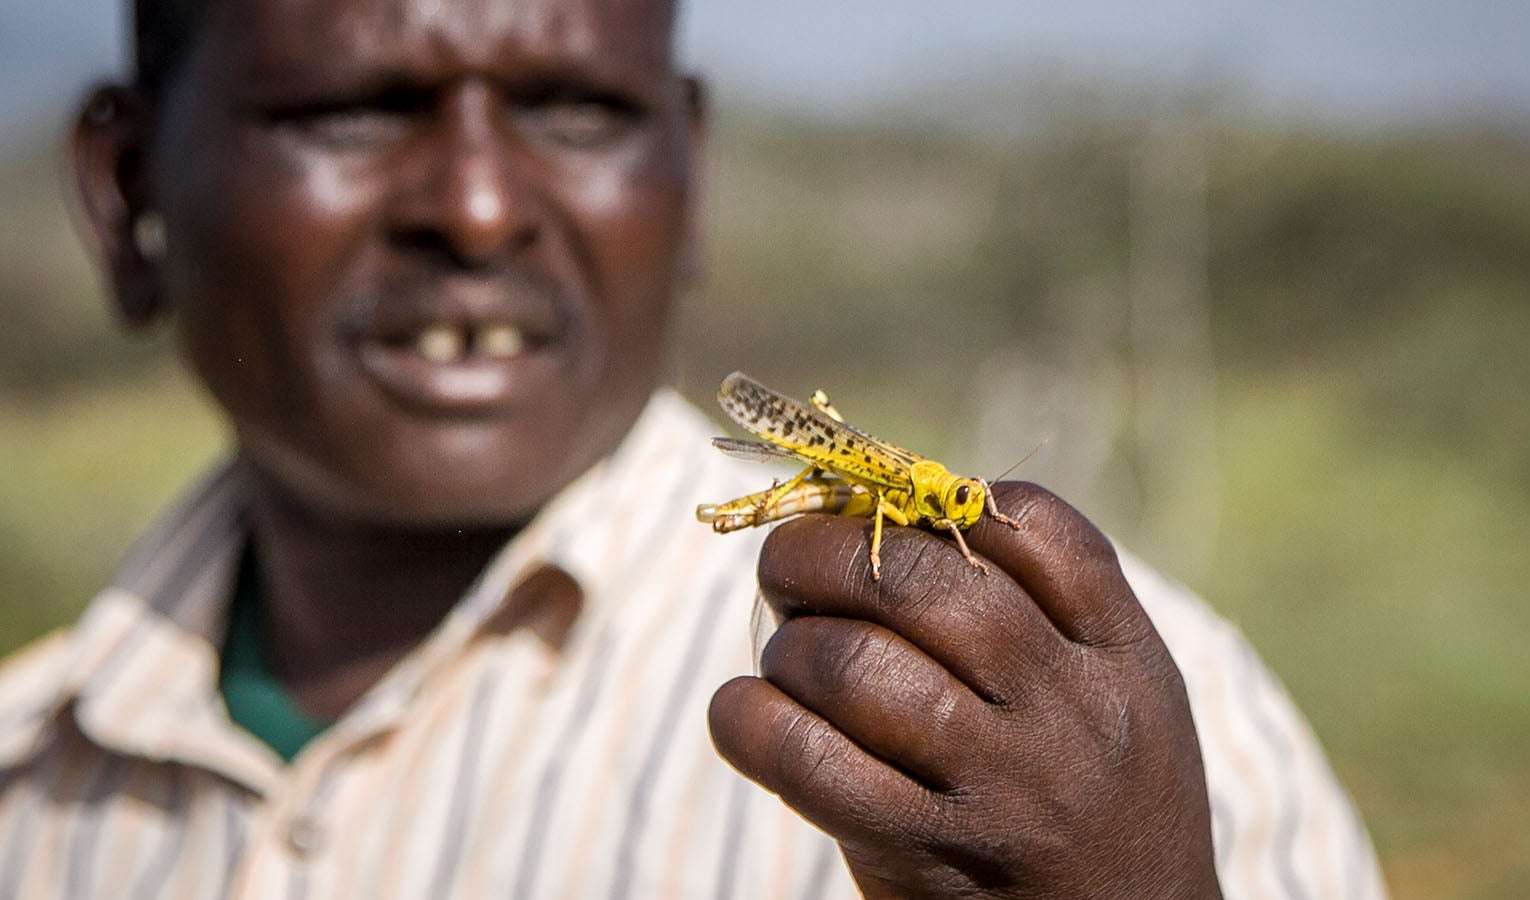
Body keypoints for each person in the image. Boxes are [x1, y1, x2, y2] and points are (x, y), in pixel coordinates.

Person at [0, 0, 1387, 896]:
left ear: (693, 170)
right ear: (128, 201)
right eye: (347, 110)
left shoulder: (1110, 725)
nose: (480, 209)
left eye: (577, 107)